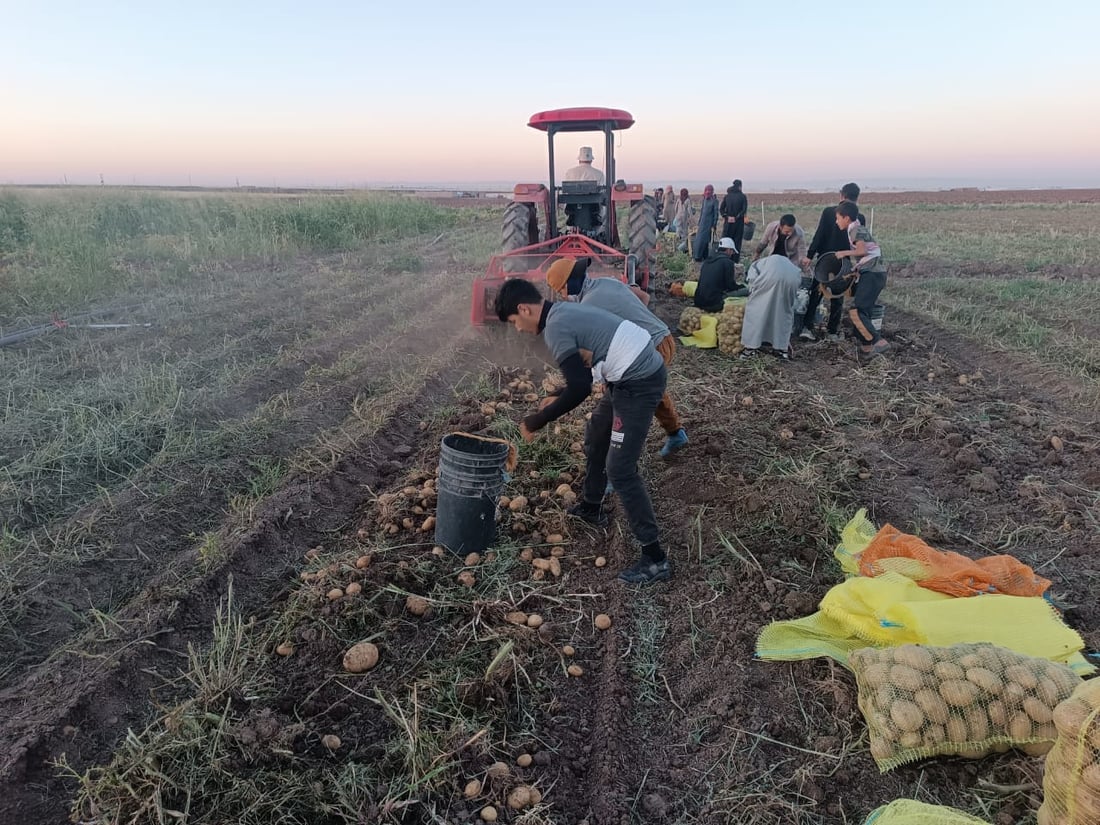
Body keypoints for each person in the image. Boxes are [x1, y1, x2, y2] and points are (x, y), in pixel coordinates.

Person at [494, 278, 671, 584]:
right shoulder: (563, 312)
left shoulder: (555, 327)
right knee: (597, 433)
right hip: (625, 373)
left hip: (639, 381)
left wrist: (537, 420)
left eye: (514, 322)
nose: (518, 329)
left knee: (621, 470)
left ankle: (655, 559)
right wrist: (559, 393)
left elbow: (580, 389)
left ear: (524, 309)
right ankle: (591, 506)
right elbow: (583, 375)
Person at [546, 258, 688, 458]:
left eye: (561, 291)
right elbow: (644, 297)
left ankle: (620, 456)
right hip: (663, 337)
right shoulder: (607, 282)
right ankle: (675, 434)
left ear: (567, 286)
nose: (563, 296)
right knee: (651, 390)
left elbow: (598, 351)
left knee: (625, 398)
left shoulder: (589, 306)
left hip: (652, 346)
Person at [800, 182, 865, 343]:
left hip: (825, 258)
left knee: (816, 293)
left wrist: (809, 255)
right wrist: (859, 265)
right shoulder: (860, 218)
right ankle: (832, 331)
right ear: (857, 198)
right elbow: (859, 245)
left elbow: (819, 234)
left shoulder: (829, 212)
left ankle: (807, 327)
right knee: (838, 295)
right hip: (844, 262)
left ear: (842, 195)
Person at [834, 201, 890, 355]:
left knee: (856, 311)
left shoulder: (855, 230)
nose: (836, 221)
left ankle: (878, 341)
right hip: (876, 273)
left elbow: (862, 251)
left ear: (846, 218)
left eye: (838, 218)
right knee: (864, 311)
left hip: (872, 274)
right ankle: (867, 347)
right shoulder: (858, 228)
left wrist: (844, 253)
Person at [739, 253, 802, 360]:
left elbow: (752, 283)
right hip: (792, 281)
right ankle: (781, 349)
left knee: (756, 310)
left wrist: (753, 296)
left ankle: (750, 349)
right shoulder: (792, 267)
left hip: (768, 281)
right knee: (782, 314)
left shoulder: (757, 264)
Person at [694, 237, 745, 312]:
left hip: (698, 302)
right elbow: (730, 286)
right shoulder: (728, 262)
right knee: (746, 290)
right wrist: (741, 286)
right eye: (732, 251)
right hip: (713, 304)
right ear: (728, 250)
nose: (732, 254)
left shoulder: (707, 261)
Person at [719, 179, 748, 263]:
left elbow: (721, 209)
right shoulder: (743, 197)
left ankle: (724, 259)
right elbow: (744, 210)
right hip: (738, 224)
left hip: (728, 224)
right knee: (737, 242)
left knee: (726, 241)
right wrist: (736, 217)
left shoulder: (727, 196)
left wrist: (726, 216)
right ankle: (735, 261)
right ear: (740, 186)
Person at [692, 184, 719, 262]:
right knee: (699, 240)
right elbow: (702, 212)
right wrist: (699, 222)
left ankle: (701, 256)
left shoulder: (714, 201)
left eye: (709, 191)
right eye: (706, 190)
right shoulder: (704, 200)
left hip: (708, 224)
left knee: (704, 240)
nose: (707, 192)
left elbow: (716, 213)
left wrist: (714, 225)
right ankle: (699, 256)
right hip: (702, 224)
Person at [670, 188, 695, 252]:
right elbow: (689, 211)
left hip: (678, 219)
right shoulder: (688, 200)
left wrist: (677, 215)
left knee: (678, 234)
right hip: (684, 220)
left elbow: (675, 209)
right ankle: (682, 249)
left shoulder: (679, 199)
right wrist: (692, 220)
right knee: (684, 235)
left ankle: (676, 248)